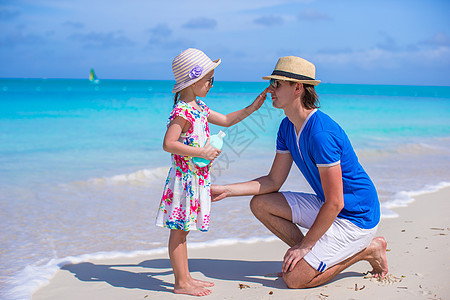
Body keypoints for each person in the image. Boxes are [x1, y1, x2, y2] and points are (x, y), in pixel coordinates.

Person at [211, 56, 388, 289]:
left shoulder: (321, 134)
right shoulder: (286, 127)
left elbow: (336, 202)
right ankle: (310, 257)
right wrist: (227, 190)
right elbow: (273, 180)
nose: (270, 89)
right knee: (261, 204)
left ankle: (368, 250)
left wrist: (306, 246)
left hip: (356, 217)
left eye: (277, 84)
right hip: (330, 207)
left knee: (294, 280)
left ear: (298, 88)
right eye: (272, 83)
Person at [155, 48, 268, 296]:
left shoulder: (200, 107)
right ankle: (181, 282)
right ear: (193, 80)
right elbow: (168, 144)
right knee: (178, 231)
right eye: (209, 80)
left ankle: (184, 277)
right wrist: (201, 153)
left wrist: (253, 107)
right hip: (184, 180)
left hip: (196, 179)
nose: (212, 84)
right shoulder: (182, 111)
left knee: (183, 229)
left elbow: (227, 119)